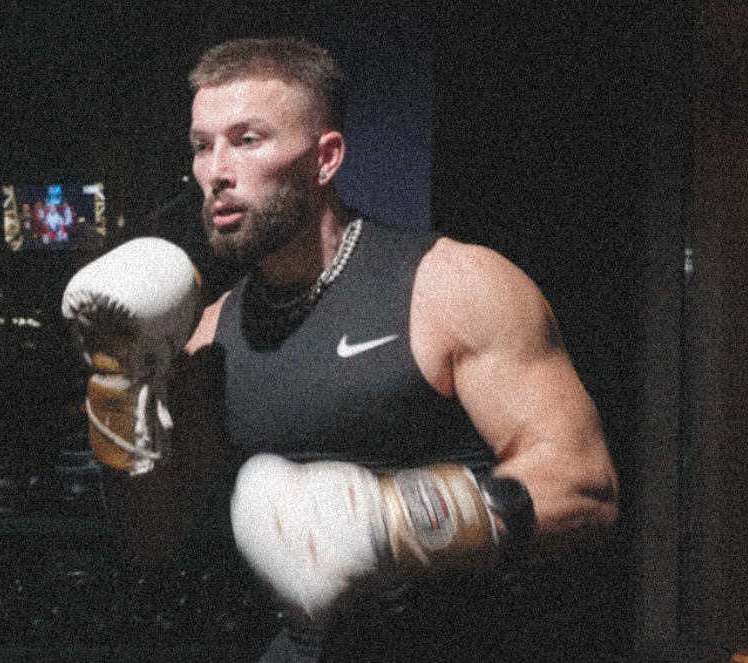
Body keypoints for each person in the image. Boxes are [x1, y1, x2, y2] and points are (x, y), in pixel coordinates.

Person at [64, 37, 618, 662]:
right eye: (201, 144)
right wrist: (116, 390)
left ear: (325, 159)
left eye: (247, 140)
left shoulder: (451, 286)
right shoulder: (209, 333)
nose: (216, 170)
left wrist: (387, 526)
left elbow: (582, 487)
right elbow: (157, 541)